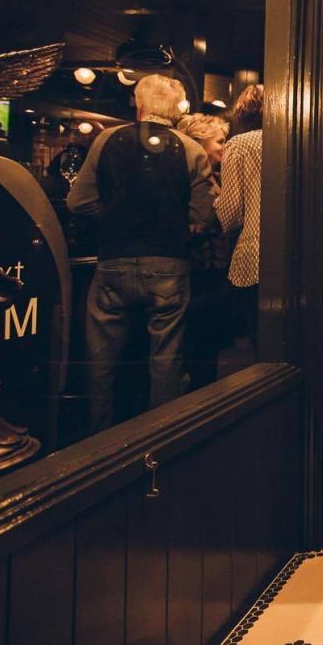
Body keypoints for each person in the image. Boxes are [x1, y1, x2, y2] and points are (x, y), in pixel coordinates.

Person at [67, 74, 215, 431]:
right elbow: (203, 215)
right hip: (168, 263)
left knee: (101, 361)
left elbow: (77, 202)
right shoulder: (190, 149)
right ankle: (158, 436)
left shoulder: (106, 140)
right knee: (166, 357)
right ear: (176, 109)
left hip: (114, 262)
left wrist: (114, 215)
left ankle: (98, 437)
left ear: (139, 102)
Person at [176, 113, 232, 388]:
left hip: (212, 276)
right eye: (220, 141)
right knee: (195, 350)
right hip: (194, 276)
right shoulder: (187, 182)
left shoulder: (215, 176)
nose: (225, 146)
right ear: (198, 144)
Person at [216, 84, 264, 355]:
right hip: (296, 257)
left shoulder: (239, 145)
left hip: (255, 254)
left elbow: (231, 212)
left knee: (259, 342)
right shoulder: (294, 142)